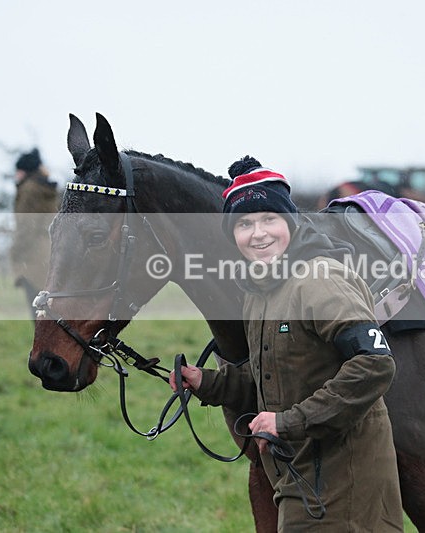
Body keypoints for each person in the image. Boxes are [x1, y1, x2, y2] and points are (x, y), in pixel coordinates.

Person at [171, 156, 404, 531]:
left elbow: (374, 363)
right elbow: (276, 369)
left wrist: (288, 421)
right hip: (299, 473)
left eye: (269, 219)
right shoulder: (260, 290)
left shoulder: (318, 279)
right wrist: (208, 382)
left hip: (344, 477)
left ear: (290, 223)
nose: (258, 233)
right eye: (244, 224)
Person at [10, 148, 59, 320]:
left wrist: (15, 251)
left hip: (33, 257)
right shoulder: (45, 187)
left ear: (25, 171)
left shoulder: (29, 190)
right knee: (51, 310)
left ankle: (46, 347)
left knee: (38, 312)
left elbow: (25, 226)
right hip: (49, 252)